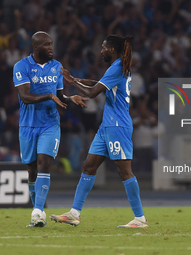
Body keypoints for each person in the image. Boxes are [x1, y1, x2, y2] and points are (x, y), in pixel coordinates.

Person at [50, 34, 148, 228]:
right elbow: (98, 82)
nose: (101, 51)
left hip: (117, 126)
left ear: (112, 49)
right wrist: (78, 79)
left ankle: (140, 218)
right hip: (107, 126)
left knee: (124, 171)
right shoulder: (119, 66)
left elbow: (93, 92)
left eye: (103, 47)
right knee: (89, 166)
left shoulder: (117, 66)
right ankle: (74, 213)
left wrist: (72, 82)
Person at [13, 31, 88, 227]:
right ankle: (37, 207)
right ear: (36, 47)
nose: (51, 48)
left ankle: (38, 212)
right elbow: (25, 97)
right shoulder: (21, 66)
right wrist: (48, 96)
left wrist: (70, 98)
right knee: (31, 170)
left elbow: (60, 96)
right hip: (28, 125)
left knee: (44, 163)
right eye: (46, 45)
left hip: (50, 124)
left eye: (51, 44)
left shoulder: (57, 67)